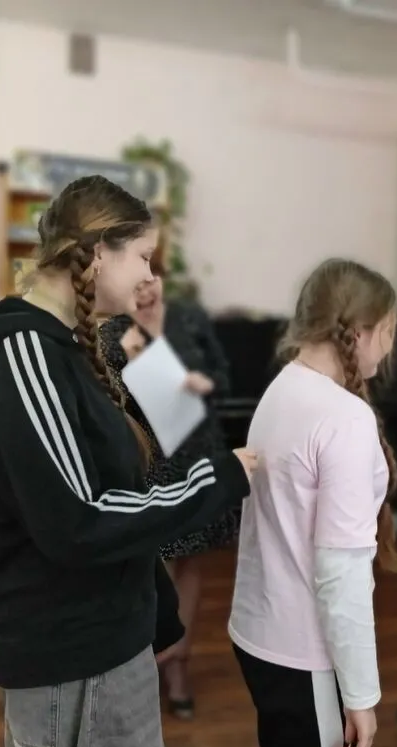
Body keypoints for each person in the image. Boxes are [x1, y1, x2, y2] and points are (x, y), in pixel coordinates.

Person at [0, 174, 256, 747]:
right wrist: (218, 478)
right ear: (100, 251)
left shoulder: (71, 346)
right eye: (143, 257)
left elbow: (143, 456)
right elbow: (79, 521)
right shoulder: (24, 358)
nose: (150, 275)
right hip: (70, 646)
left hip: (105, 632)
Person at [228, 258, 397, 747]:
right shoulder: (344, 417)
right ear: (360, 332)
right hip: (306, 652)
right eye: (388, 331)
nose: (389, 347)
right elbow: (341, 573)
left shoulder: (284, 387)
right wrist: (361, 694)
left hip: (260, 634)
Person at [100, 271, 236, 720]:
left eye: (151, 275)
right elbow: (109, 402)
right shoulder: (112, 333)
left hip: (196, 451)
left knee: (191, 565)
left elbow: (222, 375)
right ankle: (143, 665)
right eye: (136, 278)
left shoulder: (189, 319)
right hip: (146, 463)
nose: (146, 288)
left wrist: (203, 382)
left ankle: (179, 666)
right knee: (147, 569)